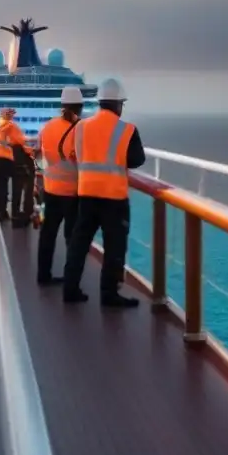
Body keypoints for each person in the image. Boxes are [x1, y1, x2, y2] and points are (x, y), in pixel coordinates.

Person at [62, 77, 146, 307]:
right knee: (114, 247)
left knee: (79, 244)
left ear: (100, 102)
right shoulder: (127, 130)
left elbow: (74, 153)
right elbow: (137, 160)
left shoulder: (81, 127)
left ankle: (70, 289)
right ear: (119, 104)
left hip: (86, 194)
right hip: (114, 197)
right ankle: (109, 295)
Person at [36, 86, 83, 284]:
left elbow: (39, 154)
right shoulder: (80, 129)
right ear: (79, 107)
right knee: (72, 238)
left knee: (48, 234)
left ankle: (43, 275)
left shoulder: (47, 127)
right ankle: (71, 281)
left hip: (50, 189)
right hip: (72, 192)